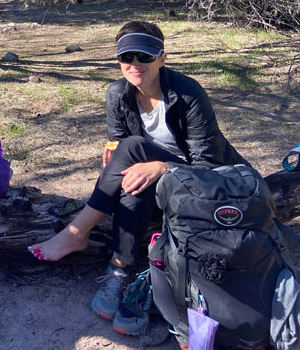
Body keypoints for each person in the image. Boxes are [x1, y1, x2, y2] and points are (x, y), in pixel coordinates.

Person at [27, 21, 246, 334]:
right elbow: (118, 144)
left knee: (134, 151)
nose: (134, 64)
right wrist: (117, 155)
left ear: (162, 58)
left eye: (144, 56)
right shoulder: (117, 94)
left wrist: (163, 168)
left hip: (205, 186)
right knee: (132, 180)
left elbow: (209, 165)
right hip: (155, 187)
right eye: (126, 57)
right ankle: (120, 271)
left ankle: (78, 233)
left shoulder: (189, 94)